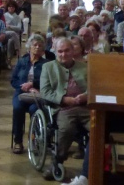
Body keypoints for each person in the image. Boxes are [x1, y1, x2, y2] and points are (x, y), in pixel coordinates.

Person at [40, 37, 88, 181]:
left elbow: (94, 87)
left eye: (67, 50)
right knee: (66, 130)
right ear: (55, 52)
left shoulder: (84, 67)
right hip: (64, 109)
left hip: (85, 107)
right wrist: (63, 99)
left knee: (99, 128)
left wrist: (86, 96)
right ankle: (56, 161)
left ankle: (91, 167)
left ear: (73, 51)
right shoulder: (48, 67)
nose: (63, 54)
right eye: (60, 51)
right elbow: (45, 91)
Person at [10, 33, 49, 154]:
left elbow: (48, 80)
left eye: (40, 46)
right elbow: (13, 80)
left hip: (37, 94)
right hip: (21, 93)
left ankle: (34, 140)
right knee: (17, 108)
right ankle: (18, 141)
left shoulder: (46, 64)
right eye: (35, 45)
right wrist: (24, 86)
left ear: (43, 50)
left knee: (35, 110)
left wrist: (33, 84)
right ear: (29, 47)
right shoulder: (22, 61)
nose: (37, 47)